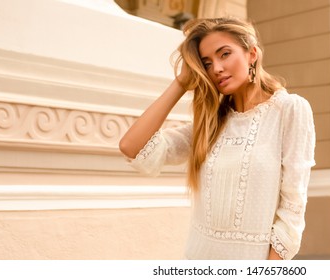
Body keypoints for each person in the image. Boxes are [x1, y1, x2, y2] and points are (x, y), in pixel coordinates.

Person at [119, 17, 315, 260]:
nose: (217, 69)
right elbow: (131, 147)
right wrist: (180, 83)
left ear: (252, 54)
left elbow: (293, 209)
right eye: (207, 63)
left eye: (224, 54)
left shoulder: (289, 110)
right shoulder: (210, 124)